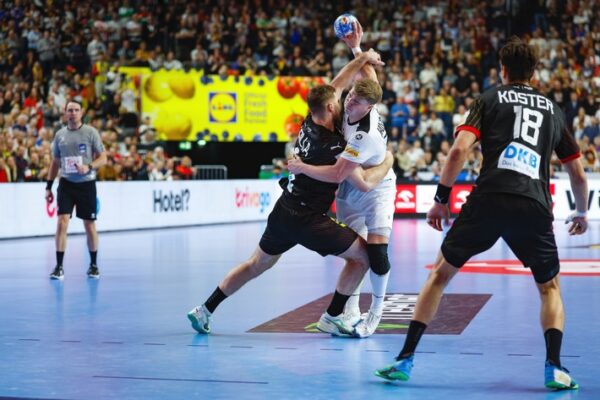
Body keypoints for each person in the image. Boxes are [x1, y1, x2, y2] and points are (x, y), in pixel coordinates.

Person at [374, 36, 588, 391]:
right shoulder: (554, 110)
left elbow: (459, 150)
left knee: (439, 275)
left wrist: (441, 198)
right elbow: (577, 173)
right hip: (533, 204)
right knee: (549, 287)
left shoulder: (488, 99)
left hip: (488, 198)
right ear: (534, 73)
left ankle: (404, 359)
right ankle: (555, 368)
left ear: (502, 70)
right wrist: (580, 211)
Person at [188, 50, 393, 336]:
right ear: (331, 107)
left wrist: (359, 55)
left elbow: (335, 85)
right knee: (364, 257)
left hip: (284, 210)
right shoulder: (335, 146)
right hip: (309, 219)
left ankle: (205, 309)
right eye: (339, 101)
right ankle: (332, 317)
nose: (343, 101)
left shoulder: (309, 120)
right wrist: (388, 161)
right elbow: (357, 180)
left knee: (255, 264)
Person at [287, 21, 396, 338]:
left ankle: (376, 312)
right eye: (350, 97)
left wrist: (301, 167)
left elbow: (350, 177)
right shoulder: (356, 100)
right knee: (355, 254)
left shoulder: (364, 136)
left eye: (357, 102)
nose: (349, 102)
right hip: (350, 187)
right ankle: (350, 311)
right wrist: (357, 48)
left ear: (370, 108)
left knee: (376, 254)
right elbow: (367, 77)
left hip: (375, 186)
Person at [45, 100, 107, 280]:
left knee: (89, 224)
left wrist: (89, 166)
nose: (73, 113)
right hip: (66, 184)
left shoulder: (90, 132)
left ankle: (93, 265)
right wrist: (48, 187)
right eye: (70, 110)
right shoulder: (60, 135)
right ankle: (59, 267)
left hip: (86, 184)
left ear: (81, 113)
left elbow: (103, 158)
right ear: (65, 113)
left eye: (76, 110)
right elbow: (55, 162)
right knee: (62, 222)